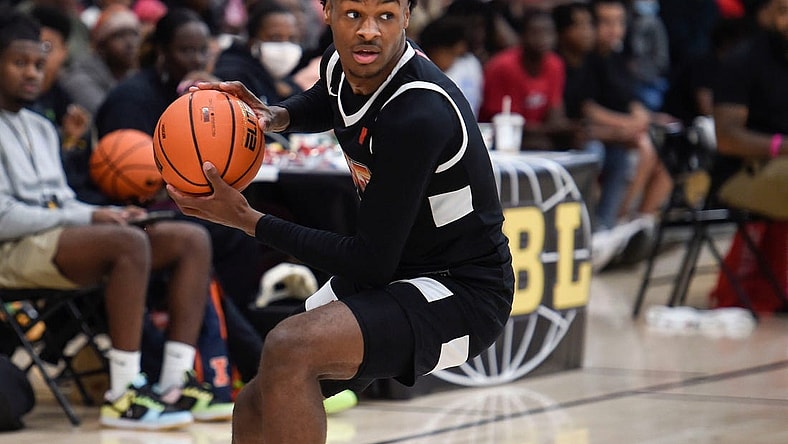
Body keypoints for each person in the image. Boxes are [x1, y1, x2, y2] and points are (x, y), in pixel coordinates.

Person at [168, 0, 515, 442]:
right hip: (399, 268)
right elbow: (328, 97)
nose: (368, 31)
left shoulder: (418, 113)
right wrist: (278, 116)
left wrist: (248, 219)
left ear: (407, 17)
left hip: (461, 289)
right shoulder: (341, 63)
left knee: (290, 347)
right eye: (353, 14)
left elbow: (369, 262)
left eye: (385, 17)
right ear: (327, 12)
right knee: (257, 398)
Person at [0, 9, 228, 430]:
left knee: (189, 238)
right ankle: (123, 392)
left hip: (54, 238)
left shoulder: (42, 126)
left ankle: (174, 383)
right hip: (10, 252)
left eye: (38, 62)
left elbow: (62, 201)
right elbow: (4, 218)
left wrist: (110, 213)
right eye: (19, 63)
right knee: (127, 243)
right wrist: (90, 216)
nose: (33, 73)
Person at [478, 8, 573, 150]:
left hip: (539, 136)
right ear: (522, 36)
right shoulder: (502, 67)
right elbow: (506, 124)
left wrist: (570, 129)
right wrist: (557, 129)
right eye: (536, 32)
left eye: (548, 32)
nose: (543, 38)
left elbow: (555, 114)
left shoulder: (555, 64)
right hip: (495, 141)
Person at [212, 0, 304, 106]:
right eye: (275, 38)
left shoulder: (284, 79)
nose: (285, 46)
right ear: (252, 42)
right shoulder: (234, 73)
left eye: (292, 38)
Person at [60, 3, 141, 116]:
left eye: (134, 34)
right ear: (101, 46)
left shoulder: (134, 76)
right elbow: (111, 116)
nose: (130, 43)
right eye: (119, 36)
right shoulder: (80, 79)